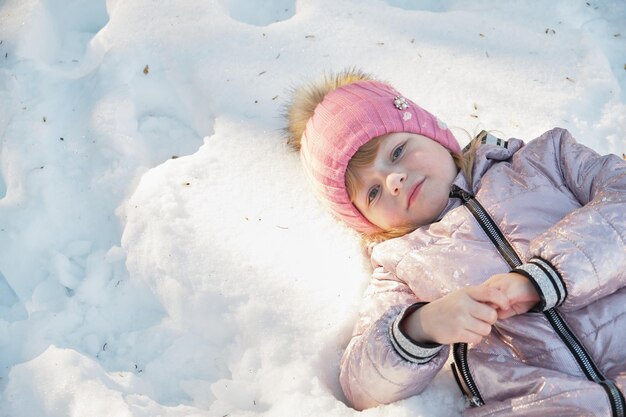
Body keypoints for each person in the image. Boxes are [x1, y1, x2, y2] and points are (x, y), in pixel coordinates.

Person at [284, 69, 626, 416]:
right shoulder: (400, 268)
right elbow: (361, 384)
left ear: (432, 132)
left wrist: (542, 277)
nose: (394, 179)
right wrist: (422, 326)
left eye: (398, 151)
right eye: (372, 192)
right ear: (367, 222)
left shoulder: (545, 160)